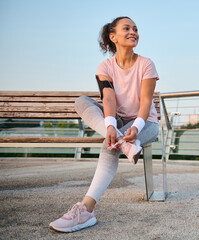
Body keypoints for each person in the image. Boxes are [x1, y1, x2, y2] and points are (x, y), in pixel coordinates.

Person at [49, 16, 159, 232]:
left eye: (135, 29)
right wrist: (110, 127)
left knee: (108, 146)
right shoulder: (105, 66)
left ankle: (86, 210)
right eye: (126, 28)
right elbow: (108, 98)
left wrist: (135, 128)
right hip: (118, 121)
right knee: (82, 102)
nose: (133, 32)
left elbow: (146, 102)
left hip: (145, 123)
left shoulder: (146, 64)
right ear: (113, 37)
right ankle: (122, 142)